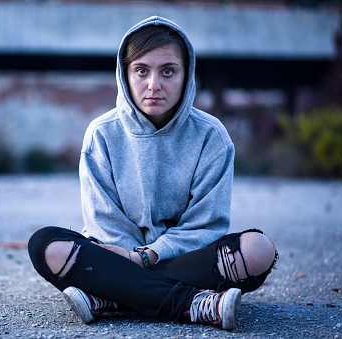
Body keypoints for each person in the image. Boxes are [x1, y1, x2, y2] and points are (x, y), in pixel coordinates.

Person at [28, 16, 277, 331]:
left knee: (258, 250)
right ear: (125, 74)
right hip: (115, 253)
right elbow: (104, 222)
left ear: (187, 75)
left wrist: (145, 259)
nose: (153, 85)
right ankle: (194, 304)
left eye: (168, 71)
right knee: (44, 244)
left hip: (184, 258)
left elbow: (205, 225)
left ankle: (110, 294)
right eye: (141, 71)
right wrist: (128, 257)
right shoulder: (102, 134)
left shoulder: (211, 136)